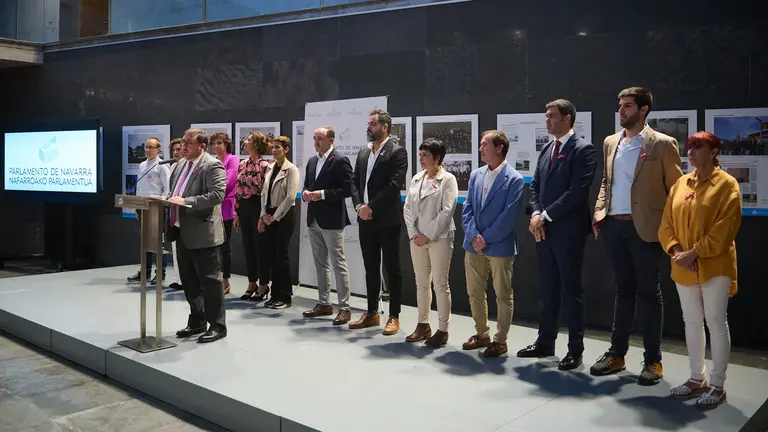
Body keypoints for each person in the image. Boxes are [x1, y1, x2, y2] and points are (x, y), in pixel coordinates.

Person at [591, 87, 683, 385]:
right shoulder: (610, 142)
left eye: (628, 106)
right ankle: (617, 354)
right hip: (614, 227)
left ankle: (653, 360)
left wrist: (669, 230)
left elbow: (677, 192)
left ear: (643, 110)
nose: (622, 111)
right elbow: (606, 181)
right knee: (623, 290)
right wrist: (599, 210)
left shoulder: (663, 144)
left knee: (649, 294)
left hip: (646, 229)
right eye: (620, 105)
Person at [659, 131, 741, 408]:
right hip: (683, 265)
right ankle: (697, 379)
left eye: (698, 147)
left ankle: (718, 385)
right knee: (691, 321)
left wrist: (695, 252)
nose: (690, 152)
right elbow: (666, 224)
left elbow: (726, 228)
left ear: (714, 151)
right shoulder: (681, 184)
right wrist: (675, 251)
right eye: (689, 147)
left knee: (716, 322)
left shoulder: (727, 185)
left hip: (715, 265)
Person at [518, 99, 597, 370]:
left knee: (570, 290)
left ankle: (575, 349)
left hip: (568, 232)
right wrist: (535, 214)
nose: (547, 120)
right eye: (546, 115)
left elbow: (577, 192)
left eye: (552, 116)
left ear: (567, 118)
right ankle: (545, 342)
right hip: (544, 231)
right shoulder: (546, 149)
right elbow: (534, 187)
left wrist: (545, 215)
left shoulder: (583, 150)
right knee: (548, 288)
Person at [460, 131, 525, 357]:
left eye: (484, 144)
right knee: (474, 292)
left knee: (503, 295)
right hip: (473, 245)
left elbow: (508, 218)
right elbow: (467, 208)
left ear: (499, 148)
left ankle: (500, 341)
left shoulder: (515, 179)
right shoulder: (476, 175)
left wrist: (484, 238)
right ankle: (482, 334)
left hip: (499, 246)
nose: (480, 148)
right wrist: (473, 235)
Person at [163, 128, 227, 343]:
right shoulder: (180, 164)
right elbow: (175, 193)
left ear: (201, 146)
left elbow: (218, 195)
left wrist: (187, 202)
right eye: (183, 141)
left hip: (203, 233)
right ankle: (197, 320)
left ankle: (217, 325)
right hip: (182, 230)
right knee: (189, 281)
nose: (184, 146)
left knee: (210, 282)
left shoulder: (211, 165)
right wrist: (165, 198)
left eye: (189, 142)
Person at [349, 109, 408, 335]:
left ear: (385, 127)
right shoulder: (364, 152)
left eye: (373, 124)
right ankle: (372, 312)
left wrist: (370, 207)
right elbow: (353, 182)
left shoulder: (397, 152)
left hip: (387, 219)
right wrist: (359, 207)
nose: (369, 127)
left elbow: (394, 186)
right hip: (365, 219)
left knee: (392, 268)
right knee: (370, 267)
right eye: (368, 123)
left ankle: (394, 316)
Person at [403, 138, 459, 348]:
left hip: (440, 238)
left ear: (437, 158)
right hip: (416, 239)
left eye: (425, 155)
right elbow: (407, 208)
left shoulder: (449, 179)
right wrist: (414, 234)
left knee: (440, 284)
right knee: (421, 283)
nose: (421, 159)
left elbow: (447, 211)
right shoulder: (417, 178)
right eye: (420, 154)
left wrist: (427, 234)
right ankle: (423, 324)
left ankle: (442, 330)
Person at [301, 127, 354, 325]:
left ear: (331, 140)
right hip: (314, 217)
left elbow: (348, 188)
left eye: (320, 138)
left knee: (338, 263)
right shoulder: (312, 161)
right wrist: (307, 192)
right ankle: (324, 303)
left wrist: (321, 194)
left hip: (332, 219)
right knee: (320, 263)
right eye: (314, 138)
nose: (316, 142)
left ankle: (345, 308)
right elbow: (307, 184)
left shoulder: (340, 160)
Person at [259, 136, 299, 309]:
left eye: (278, 148)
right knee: (272, 255)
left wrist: (275, 216)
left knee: (282, 256)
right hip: (269, 214)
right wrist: (263, 215)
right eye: (273, 148)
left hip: (284, 215)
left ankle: (285, 296)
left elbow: (290, 197)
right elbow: (263, 194)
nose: (274, 151)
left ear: (286, 149)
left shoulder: (291, 169)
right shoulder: (269, 168)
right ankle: (274, 294)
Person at [127, 137, 170, 285]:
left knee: (158, 242)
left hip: (156, 208)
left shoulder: (162, 166)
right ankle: (144, 272)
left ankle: (160, 274)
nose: (148, 150)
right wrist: (136, 205)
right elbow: (140, 188)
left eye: (151, 147)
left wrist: (162, 202)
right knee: (145, 242)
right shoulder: (141, 165)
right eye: (146, 147)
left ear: (159, 149)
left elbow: (167, 189)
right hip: (143, 207)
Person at [235, 131, 271, 301]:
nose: (245, 141)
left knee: (262, 248)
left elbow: (266, 192)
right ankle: (251, 282)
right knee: (248, 247)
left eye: (249, 139)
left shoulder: (265, 165)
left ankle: (264, 284)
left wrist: (262, 215)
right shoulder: (242, 164)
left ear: (256, 144)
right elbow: (238, 189)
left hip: (258, 206)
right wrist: (236, 213)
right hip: (244, 207)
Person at [210, 132, 239, 296]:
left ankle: (225, 282)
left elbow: (229, 181)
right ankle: (215, 279)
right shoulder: (213, 161)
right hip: (212, 207)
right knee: (214, 246)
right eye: (213, 143)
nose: (216, 146)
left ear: (226, 144)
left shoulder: (232, 159)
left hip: (226, 207)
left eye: (219, 143)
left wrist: (213, 194)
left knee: (225, 247)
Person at [167, 138, 184, 291]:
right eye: (174, 150)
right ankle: (178, 279)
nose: (176, 152)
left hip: (185, 214)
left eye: (179, 149)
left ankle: (185, 280)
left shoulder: (189, 168)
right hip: (173, 213)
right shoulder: (172, 167)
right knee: (174, 249)